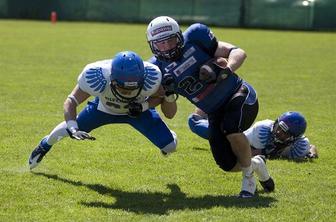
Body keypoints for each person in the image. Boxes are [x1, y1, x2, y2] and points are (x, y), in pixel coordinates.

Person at [146, 16, 274, 198]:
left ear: (179, 37)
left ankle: (248, 181)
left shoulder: (196, 38)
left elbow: (238, 52)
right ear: (152, 46)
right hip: (214, 112)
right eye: (160, 44)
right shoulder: (156, 69)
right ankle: (255, 164)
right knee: (227, 164)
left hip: (238, 94)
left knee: (232, 129)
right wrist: (166, 92)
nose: (166, 47)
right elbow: (170, 114)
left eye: (170, 40)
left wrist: (226, 70)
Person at [28, 51, 178, 170]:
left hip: (136, 112)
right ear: (112, 78)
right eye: (123, 87)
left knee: (171, 147)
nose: (127, 93)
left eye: (132, 88)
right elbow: (71, 101)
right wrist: (73, 128)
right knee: (65, 130)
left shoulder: (152, 77)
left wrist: (143, 106)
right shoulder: (96, 76)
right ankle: (44, 145)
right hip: (103, 109)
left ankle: (167, 136)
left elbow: (161, 100)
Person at [189, 110, 318, 160]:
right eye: (279, 127)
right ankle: (201, 113)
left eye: (284, 133)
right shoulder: (262, 130)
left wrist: (311, 154)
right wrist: (267, 152)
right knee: (195, 123)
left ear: (293, 139)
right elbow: (246, 152)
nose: (278, 132)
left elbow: (311, 146)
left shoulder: (298, 144)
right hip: (236, 138)